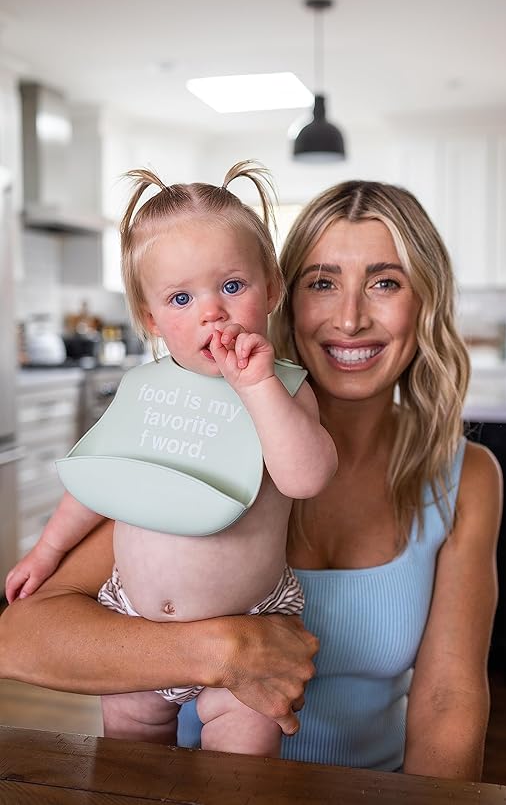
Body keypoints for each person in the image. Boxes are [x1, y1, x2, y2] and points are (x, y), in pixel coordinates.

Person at [0, 177, 502, 781]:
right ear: (288, 295)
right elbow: (20, 638)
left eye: (385, 282)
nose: (350, 318)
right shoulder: (195, 433)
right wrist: (225, 651)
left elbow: (449, 700)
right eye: (322, 283)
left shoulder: (467, 475)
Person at [3, 161, 337, 757]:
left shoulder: (283, 388)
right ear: (151, 318)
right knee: (130, 767)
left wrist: (257, 387)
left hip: (250, 622)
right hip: (131, 623)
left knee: (239, 775)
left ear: (272, 288)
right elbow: (100, 478)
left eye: (232, 286)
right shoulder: (143, 389)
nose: (212, 312)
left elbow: (306, 477)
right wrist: (47, 551)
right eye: (182, 298)